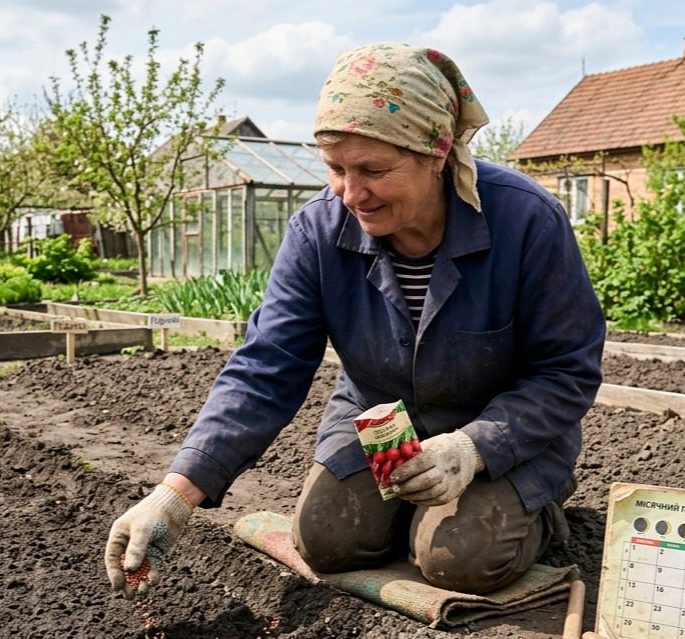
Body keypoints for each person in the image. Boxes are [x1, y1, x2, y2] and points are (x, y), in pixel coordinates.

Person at [105, 41, 605, 600]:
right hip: (383, 421)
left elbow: (566, 370)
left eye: (373, 169)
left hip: (503, 431)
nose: (350, 193)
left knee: (459, 561)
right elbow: (266, 366)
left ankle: (538, 511)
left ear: (437, 153)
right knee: (326, 541)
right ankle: (410, 517)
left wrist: (471, 449)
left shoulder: (526, 220)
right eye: (335, 169)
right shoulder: (317, 233)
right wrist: (176, 493)